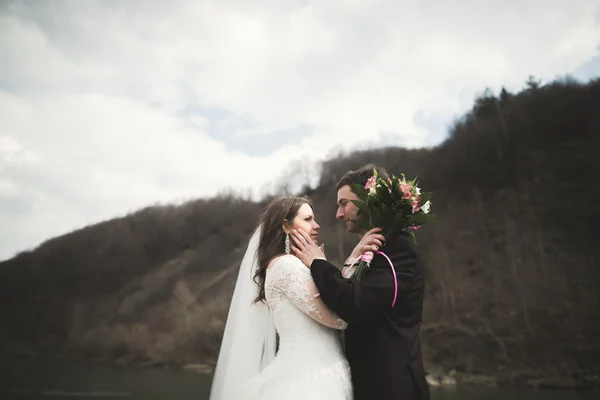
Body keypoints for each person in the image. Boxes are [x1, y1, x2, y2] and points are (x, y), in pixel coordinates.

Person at [210, 196, 374, 400]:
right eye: (307, 219)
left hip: (322, 372)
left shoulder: (295, 266)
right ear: (286, 227)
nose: (317, 226)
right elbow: (338, 318)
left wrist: (346, 261)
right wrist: (328, 263)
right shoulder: (286, 266)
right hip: (308, 380)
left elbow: (333, 299)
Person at [290, 164, 431, 400]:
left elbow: (355, 304)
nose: (338, 214)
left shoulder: (399, 251)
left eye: (344, 203)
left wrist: (318, 263)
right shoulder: (377, 251)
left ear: (370, 199)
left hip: (393, 389)